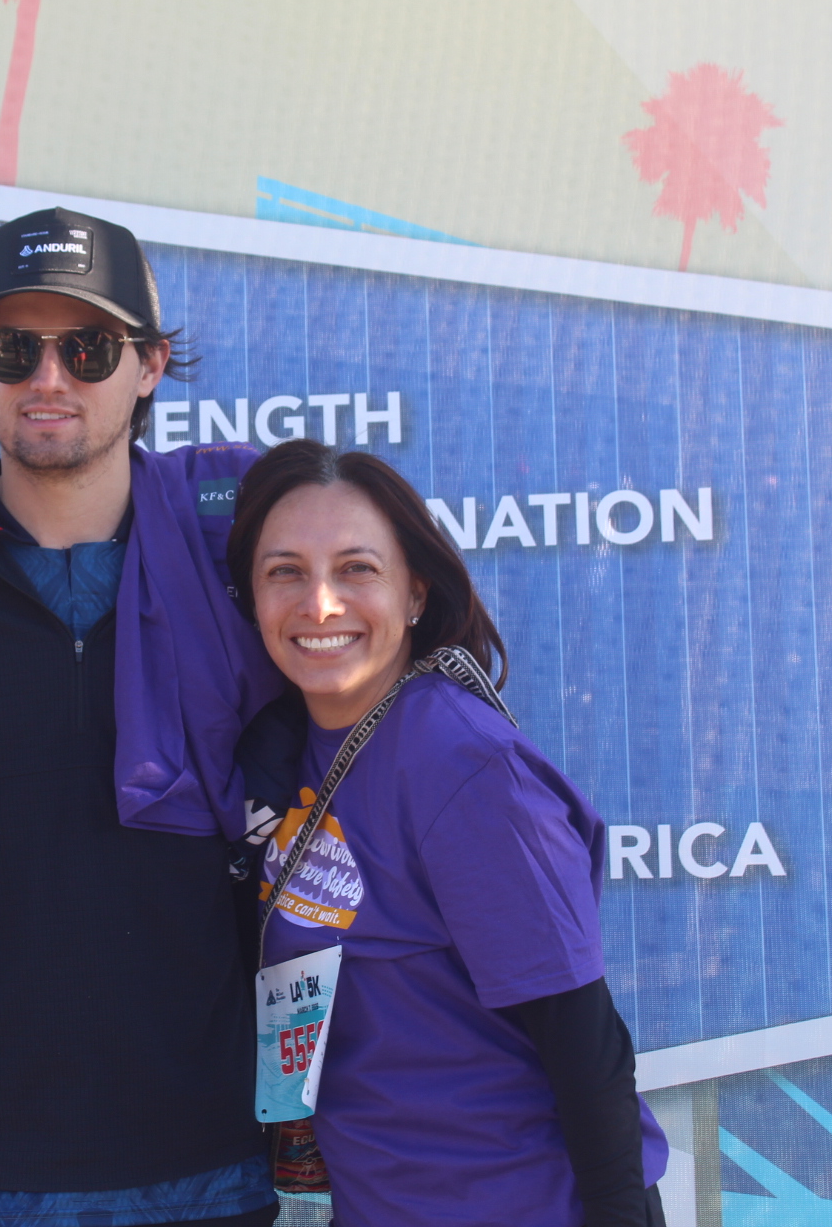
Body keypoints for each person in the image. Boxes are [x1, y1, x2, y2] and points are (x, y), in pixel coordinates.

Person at [0, 208, 280, 1227]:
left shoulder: (242, 562)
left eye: (88, 347)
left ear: (150, 365)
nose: (49, 377)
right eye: (15, 349)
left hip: (205, 1156)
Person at [226, 439, 670, 1227]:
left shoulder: (463, 765)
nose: (319, 604)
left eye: (357, 569)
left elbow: (584, 1040)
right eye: (284, 572)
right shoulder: (293, 750)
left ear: (415, 593)